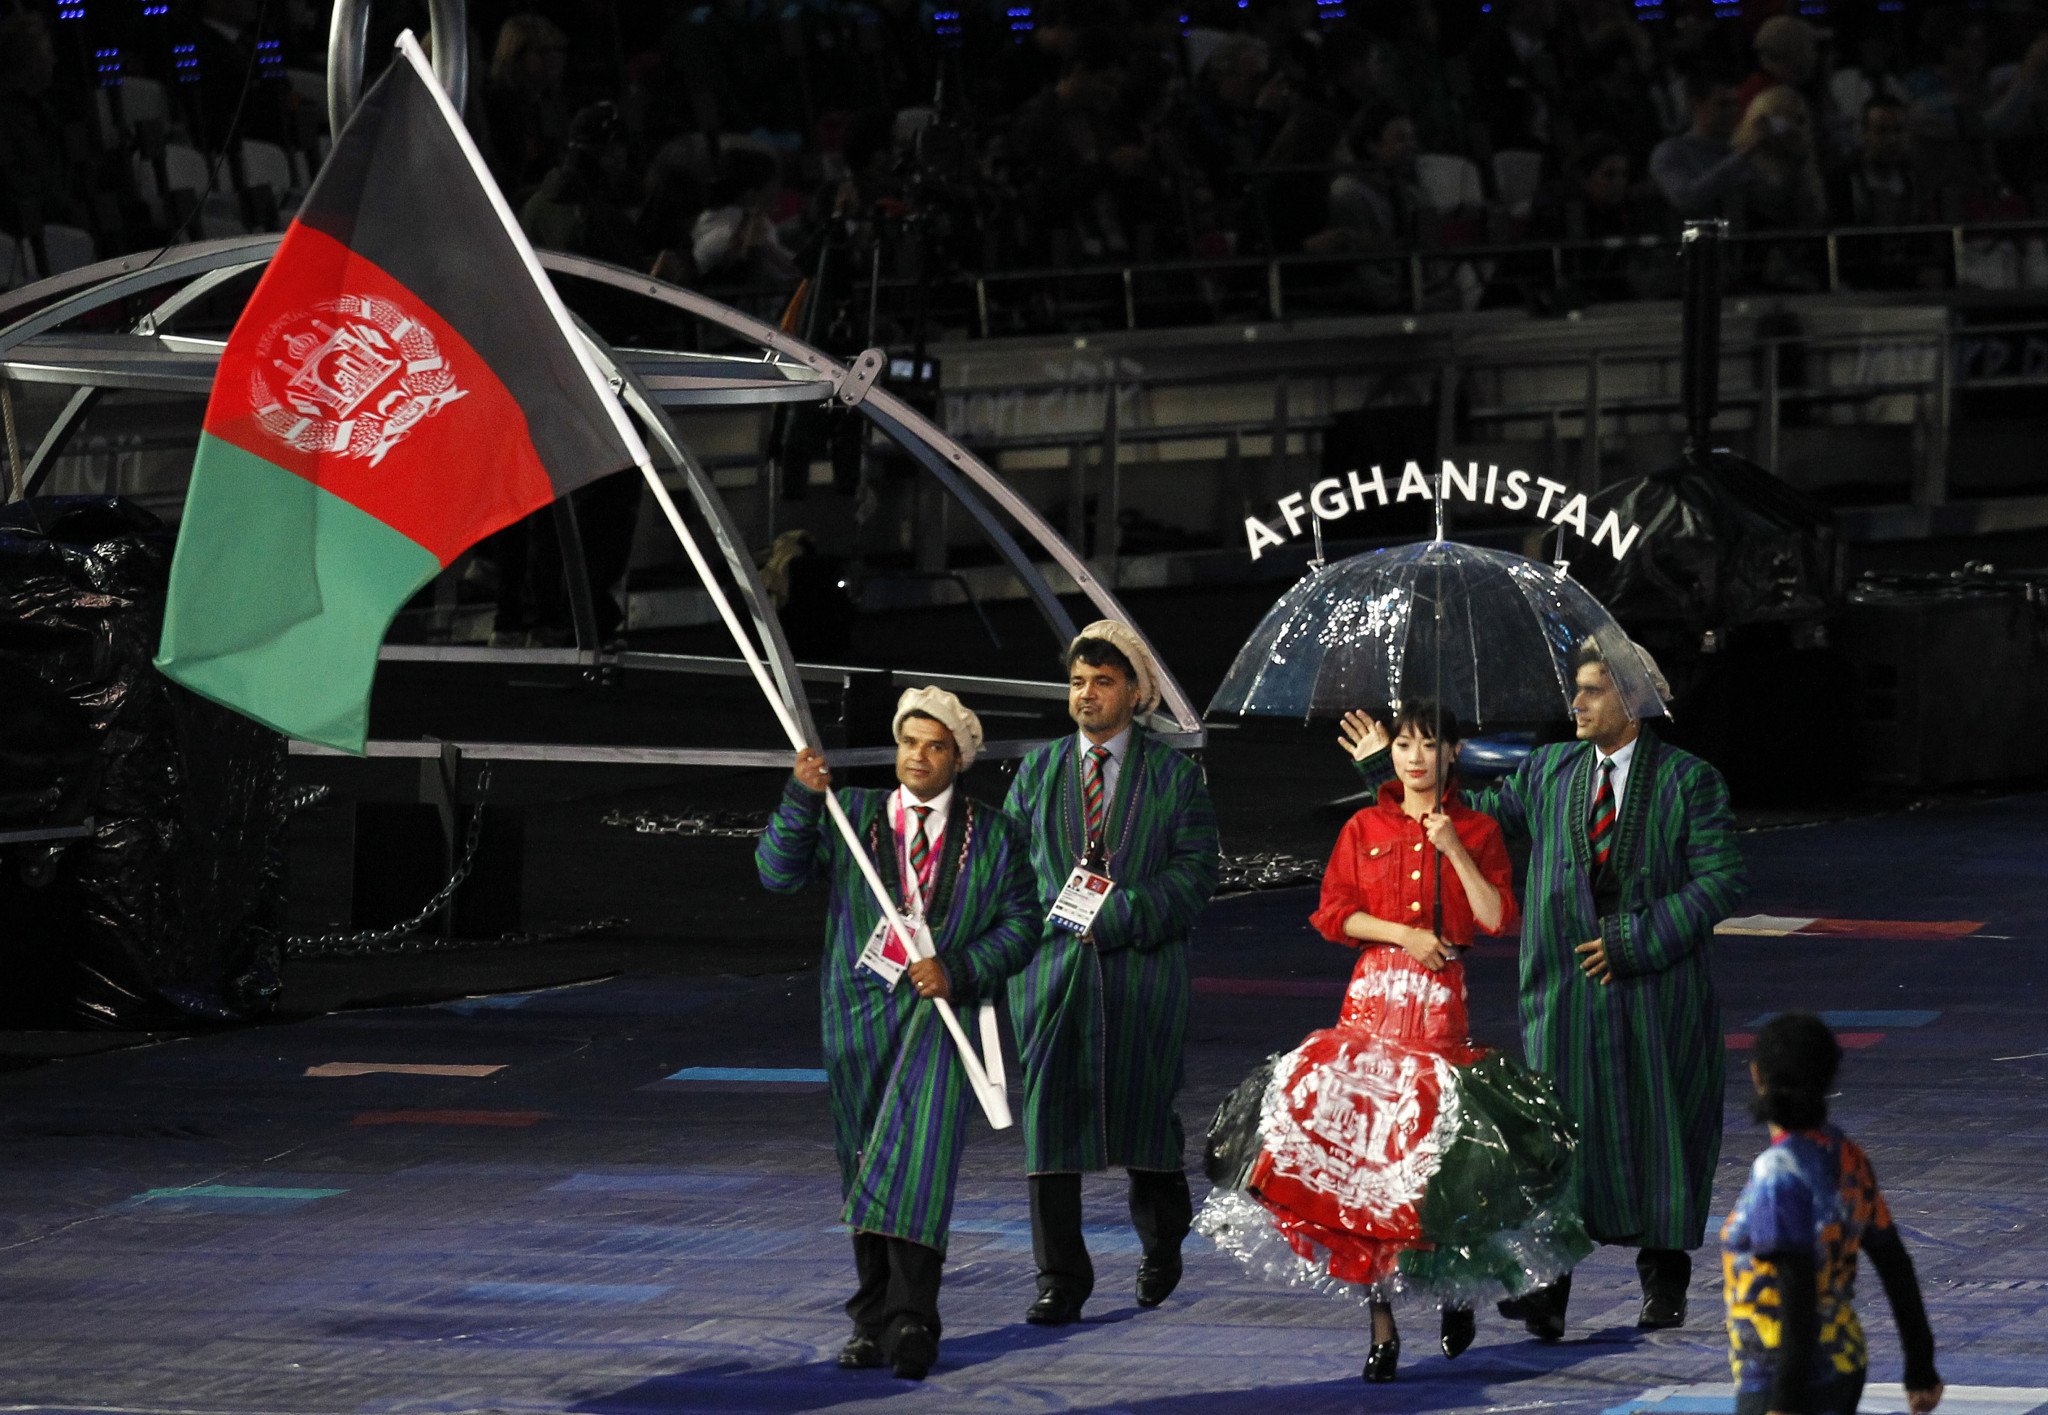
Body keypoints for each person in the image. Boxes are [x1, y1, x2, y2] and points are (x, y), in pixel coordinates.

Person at [1341, 638, 1746, 1340]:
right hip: (1565, 995)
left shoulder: (1689, 781)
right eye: (1578, 688)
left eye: (1592, 690)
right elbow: (1468, 820)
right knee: (1557, 1140)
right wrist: (1390, 763)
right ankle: (1546, 1289)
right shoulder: (1552, 769)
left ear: (1633, 700)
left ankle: (1663, 1280)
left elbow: (1722, 881)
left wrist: (1633, 941)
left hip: (1656, 994)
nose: (1577, 703)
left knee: (1663, 1128)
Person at [1198, 702, 1589, 1383]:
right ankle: (1380, 1327)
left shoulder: (1476, 827)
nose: (1414, 757)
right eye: (1404, 744)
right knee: (1366, 1169)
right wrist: (1402, 934)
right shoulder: (1364, 824)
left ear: (1453, 752)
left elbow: (1496, 915)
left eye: (1428, 744)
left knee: (1432, 1164)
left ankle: (1454, 1291)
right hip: (1372, 1002)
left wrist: (1454, 848)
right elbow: (1332, 913)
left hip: (1438, 1015)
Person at [755, 687, 1039, 1380]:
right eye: (909, 742)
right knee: (864, 1161)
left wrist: (962, 968)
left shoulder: (995, 835)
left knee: (919, 1160)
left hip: (937, 1020)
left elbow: (1022, 926)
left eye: (934, 745)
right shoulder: (850, 816)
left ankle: (913, 1318)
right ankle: (872, 1317)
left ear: (959, 758)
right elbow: (775, 874)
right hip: (857, 1016)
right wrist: (799, 797)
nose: (918, 756)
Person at [1004, 619, 1220, 1326]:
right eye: (1077, 682)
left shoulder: (1174, 777)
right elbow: (1004, 874)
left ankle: (1164, 1243)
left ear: (1135, 691)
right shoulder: (1036, 775)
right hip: (1051, 977)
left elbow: (1195, 876)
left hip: (1142, 978)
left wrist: (1119, 915)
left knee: (1145, 1115)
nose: (1086, 694)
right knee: (1049, 1126)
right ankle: (1059, 1278)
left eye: (1102, 681)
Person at [1724, 1012, 1944, 1415]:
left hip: (1782, 1376)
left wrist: (1784, 1404)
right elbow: (1895, 1264)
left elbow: (1796, 1290)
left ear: (1757, 1076)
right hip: (1843, 1363)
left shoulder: (1778, 1173)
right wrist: (1920, 1366)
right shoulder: (1848, 1157)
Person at [1650, 69, 1759, 220]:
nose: (1733, 111)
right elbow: (1685, 199)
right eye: (1723, 104)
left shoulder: (1740, 149)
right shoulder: (1671, 152)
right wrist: (1741, 156)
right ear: (1696, 105)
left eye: (1736, 104)